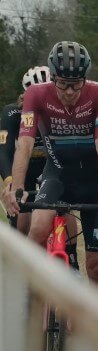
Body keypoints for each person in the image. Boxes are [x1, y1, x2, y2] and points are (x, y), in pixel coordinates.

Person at [3, 42, 98, 290]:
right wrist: (16, 186)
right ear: (53, 77)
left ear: (85, 78)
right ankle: (32, 300)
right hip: (57, 174)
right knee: (36, 230)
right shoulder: (36, 94)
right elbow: (24, 145)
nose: (69, 91)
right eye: (63, 83)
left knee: (97, 267)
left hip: (92, 180)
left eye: (76, 83)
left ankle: (95, 327)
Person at [1, 66, 52, 233]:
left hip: (50, 168)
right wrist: (10, 181)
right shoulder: (12, 113)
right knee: (22, 225)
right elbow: (4, 149)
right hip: (25, 169)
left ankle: (70, 256)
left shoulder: (61, 111)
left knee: (63, 211)